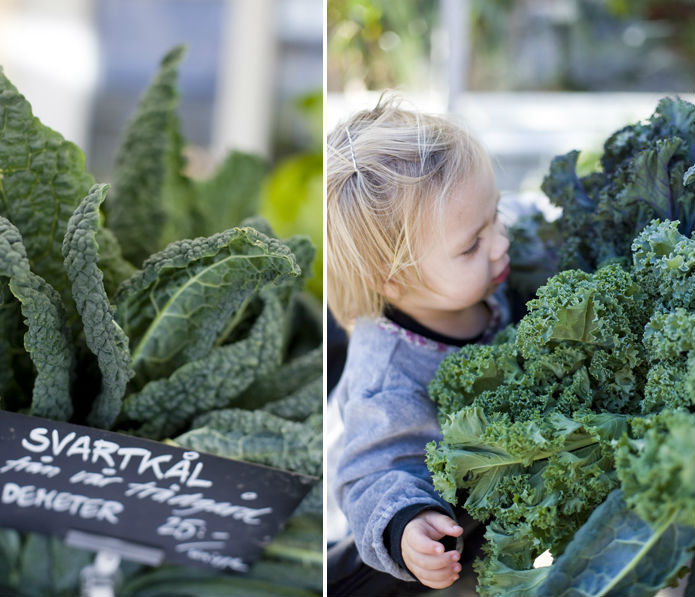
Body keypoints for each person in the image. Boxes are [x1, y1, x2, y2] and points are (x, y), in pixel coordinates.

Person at [326, 94, 511, 596]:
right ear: (394, 280)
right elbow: (371, 474)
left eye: (496, 214)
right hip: (427, 551)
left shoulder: (481, 278)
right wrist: (409, 524)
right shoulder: (386, 375)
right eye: (472, 244)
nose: (500, 243)